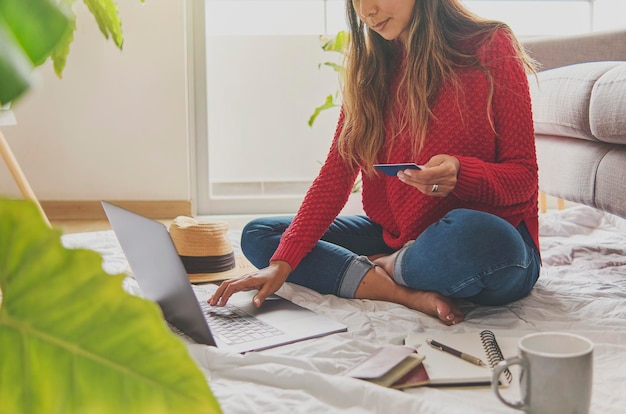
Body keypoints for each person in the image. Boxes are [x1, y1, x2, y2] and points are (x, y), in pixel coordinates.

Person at [210, 0, 541, 325]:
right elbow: (334, 177)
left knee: (480, 236)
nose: (365, 10)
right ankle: (399, 289)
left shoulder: (490, 44)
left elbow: (524, 178)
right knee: (261, 236)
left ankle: (385, 267)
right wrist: (281, 264)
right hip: (398, 238)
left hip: (482, 244)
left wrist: (461, 173)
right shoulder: (371, 67)